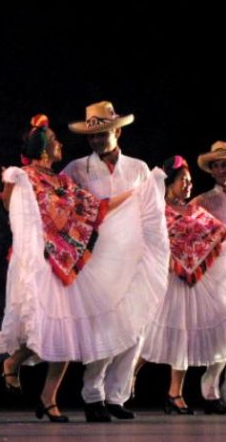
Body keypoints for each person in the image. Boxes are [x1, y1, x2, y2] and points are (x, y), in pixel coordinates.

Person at [0, 114, 168, 423]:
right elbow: (11, 207)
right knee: (50, 326)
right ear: (45, 149)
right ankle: (18, 364)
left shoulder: (65, 180)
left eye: (102, 134)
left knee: (69, 332)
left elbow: (94, 207)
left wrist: (139, 192)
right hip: (47, 262)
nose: (63, 144)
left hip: (72, 261)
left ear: (117, 132)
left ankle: (52, 397)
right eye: (55, 141)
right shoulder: (38, 175)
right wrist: (12, 185)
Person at [61, 101, 168, 422]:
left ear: (117, 132)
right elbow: (63, 207)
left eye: (102, 134)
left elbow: (153, 212)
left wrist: (155, 252)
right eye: (92, 135)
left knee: (135, 326)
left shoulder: (138, 168)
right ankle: (93, 396)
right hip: (99, 257)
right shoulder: (76, 169)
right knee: (104, 326)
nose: (96, 140)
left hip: (135, 254)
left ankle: (116, 396)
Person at [139, 156, 226, 414]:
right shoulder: (170, 207)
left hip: (203, 277)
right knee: (152, 335)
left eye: (190, 181)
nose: (189, 185)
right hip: (171, 277)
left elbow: (220, 233)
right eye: (183, 180)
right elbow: (150, 239)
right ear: (170, 183)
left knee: (185, 335)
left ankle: (179, 394)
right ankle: (124, 383)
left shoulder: (196, 210)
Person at [190, 142, 226, 415]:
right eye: (217, 165)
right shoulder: (202, 202)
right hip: (218, 278)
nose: (222, 169)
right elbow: (191, 236)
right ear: (211, 171)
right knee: (223, 335)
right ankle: (210, 391)